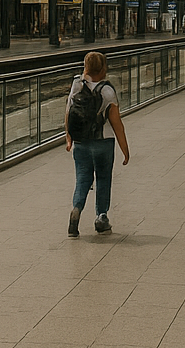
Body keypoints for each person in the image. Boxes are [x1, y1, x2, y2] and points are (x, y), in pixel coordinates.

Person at [64, 51, 130, 237]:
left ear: (85, 67)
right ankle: (101, 217)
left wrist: (69, 137)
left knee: (82, 179)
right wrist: (125, 150)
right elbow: (116, 124)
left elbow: (69, 112)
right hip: (104, 143)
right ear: (103, 68)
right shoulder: (108, 91)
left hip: (81, 142)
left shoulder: (76, 85)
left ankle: (76, 209)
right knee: (103, 179)